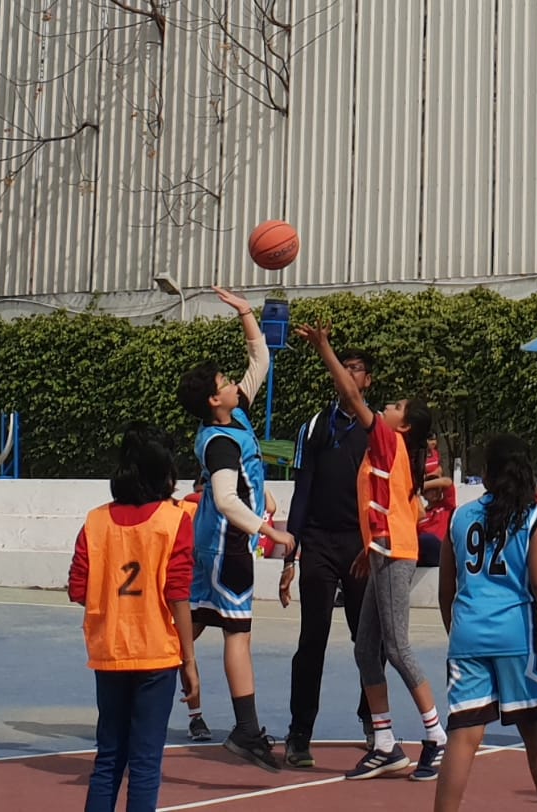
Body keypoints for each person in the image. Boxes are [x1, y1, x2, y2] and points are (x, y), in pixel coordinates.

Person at [294, 321, 446, 783]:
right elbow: (387, 505)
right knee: (366, 651)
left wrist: (325, 347)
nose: (389, 406)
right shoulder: (394, 451)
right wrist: (369, 547)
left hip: (396, 555)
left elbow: (354, 397)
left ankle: (436, 735)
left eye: (397, 406)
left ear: (405, 424)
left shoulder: (386, 438)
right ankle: (383, 742)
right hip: (380, 551)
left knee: (397, 647)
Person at [174, 286, 294, 771]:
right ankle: (246, 731)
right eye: (224, 380)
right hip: (228, 546)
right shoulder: (221, 441)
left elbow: (259, 359)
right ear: (213, 398)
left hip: (210, 544)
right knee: (237, 634)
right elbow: (225, 499)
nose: (233, 382)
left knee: (192, 624)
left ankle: (138, 684)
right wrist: (270, 532)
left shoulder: (233, 413)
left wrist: (246, 312)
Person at [435, 434, 537, 812]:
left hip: (467, 633)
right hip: (517, 637)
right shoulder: (535, 516)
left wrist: (456, 631)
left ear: (485, 474)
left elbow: (445, 588)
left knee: (462, 736)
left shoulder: (459, 516)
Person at [68, 423, 200, 812]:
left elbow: (78, 589)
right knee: (145, 763)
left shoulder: (95, 521)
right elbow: (178, 594)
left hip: (109, 650)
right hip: (158, 653)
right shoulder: (175, 520)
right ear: (166, 472)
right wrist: (189, 661)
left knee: (108, 757)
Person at [283, 347, 378, 765]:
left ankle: (374, 720)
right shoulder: (315, 427)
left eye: (355, 369)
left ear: (367, 381)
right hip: (319, 544)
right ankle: (299, 733)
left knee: (368, 641)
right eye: (343, 367)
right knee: (312, 639)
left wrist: (376, 544)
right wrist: (290, 552)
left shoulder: (377, 430)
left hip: (360, 546)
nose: (348, 374)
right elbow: (301, 493)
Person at [418, 434, 457, 569]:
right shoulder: (420, 514)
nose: (434, 492)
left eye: (436, 489)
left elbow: (448, 482)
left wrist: (422, 485)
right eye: (430, 490)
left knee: (426, 540)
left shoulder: (447, 506)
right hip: (423, 554)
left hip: (440, 550)